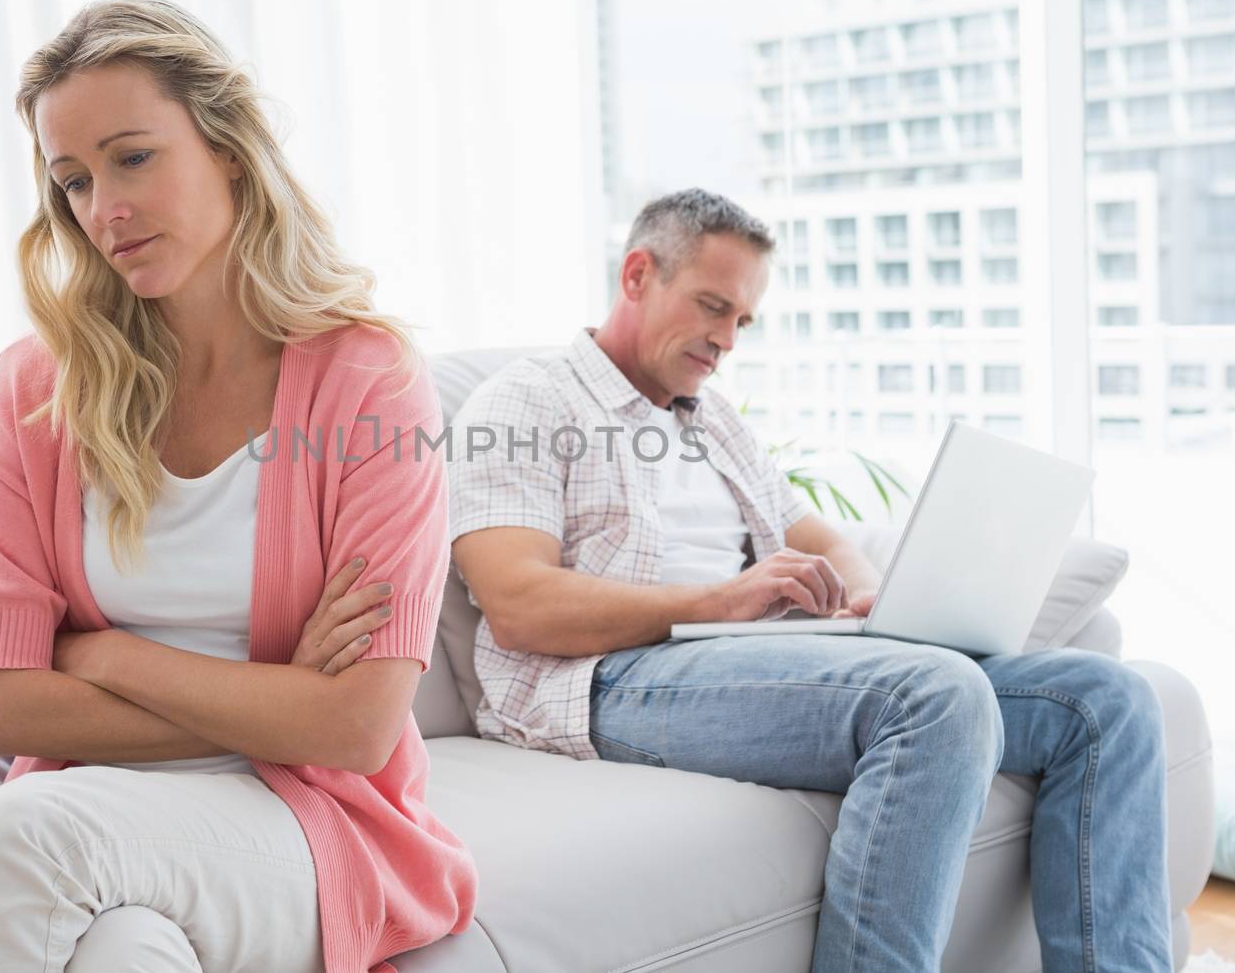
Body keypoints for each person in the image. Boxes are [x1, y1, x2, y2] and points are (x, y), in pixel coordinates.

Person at [447, 187, 1171, 972]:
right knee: (933, 695)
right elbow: (518, 603)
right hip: (604, 679)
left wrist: (869, 598)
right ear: (636, 275)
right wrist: (722, 601)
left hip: (740, 661)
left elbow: (823, 538)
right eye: (711, 306)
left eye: (742, 321)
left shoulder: (711, 421)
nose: (725, 339)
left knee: (1107, 701)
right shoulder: (529, 398)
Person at [0, 0, 476, 973]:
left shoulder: (369, 377)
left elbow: (352, 726)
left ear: (226, 146)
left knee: (26, 830)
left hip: (305, 820)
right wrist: (280, 692)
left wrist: (102, 658)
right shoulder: (33, 391)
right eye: (74, 181)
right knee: (116, 950)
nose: (104, 209)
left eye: (132, 157)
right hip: (98, 812)